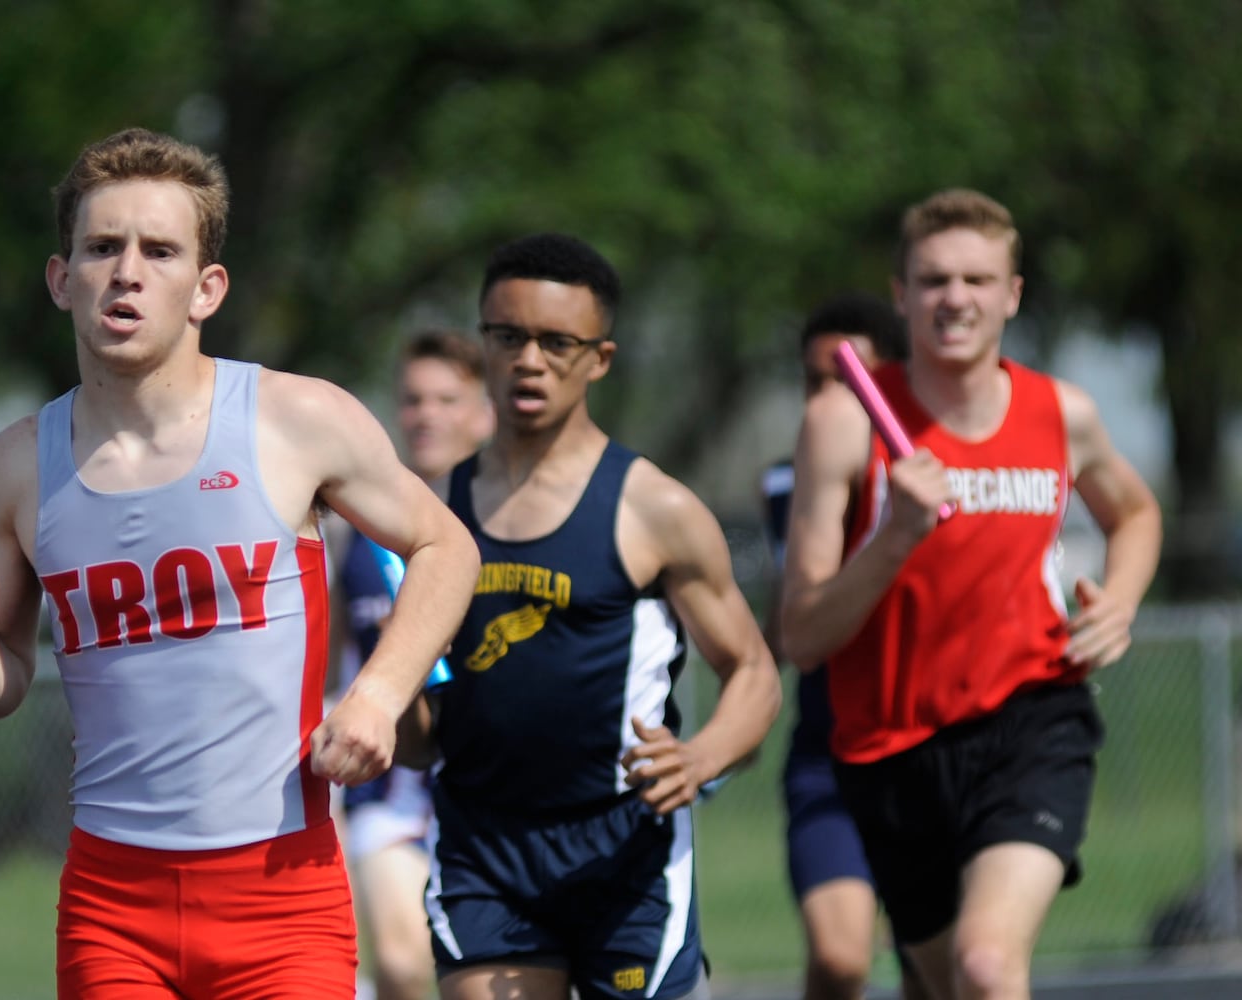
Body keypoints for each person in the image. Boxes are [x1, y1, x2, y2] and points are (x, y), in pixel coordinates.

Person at [0, 127, 481, 1000]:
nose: (126, 271)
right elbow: (5, 675)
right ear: (62, 279)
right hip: (111, 904)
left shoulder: (297, 419)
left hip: (283, 895)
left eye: (159, 250)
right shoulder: (18, 464)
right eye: (101, 247)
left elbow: (446, 546)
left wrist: (377, 694)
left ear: (205, 287)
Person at [780, 189, 1162, 1000]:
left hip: (1030, 718)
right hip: (889, 748)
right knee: (946, 983)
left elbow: (1134, 513)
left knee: (987, 967)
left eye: (977, 280)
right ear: (899, 293)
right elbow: (804, 635)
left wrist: (1119, 602)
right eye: (933, 280)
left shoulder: (1062, 411)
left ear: (1011, 294)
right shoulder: (842, 422)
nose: (955, 298)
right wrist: (893, 536)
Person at [399, 232, 782, 1000]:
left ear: (598, 358)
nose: (529, 360)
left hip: (624, 846)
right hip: (483, 847)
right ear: (484, 346)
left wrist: (701, 759)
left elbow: (753, 673)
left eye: (556, 342)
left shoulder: (656, 509)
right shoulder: (431, 514)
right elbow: (414, 746)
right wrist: (387, 700)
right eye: (508, 337)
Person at [759, 293, 929, 1000]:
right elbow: (802, 618)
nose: (826, 401)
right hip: (830, 755)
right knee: (838, 960)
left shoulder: (941, 474)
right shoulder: (787, 485)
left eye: (848, 381)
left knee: (937, 971)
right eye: (814, 382)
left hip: (932, 751)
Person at [333, 330, 493, 1000]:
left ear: (484, 411)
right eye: (412, 399)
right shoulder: (355, 527)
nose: (426, 414)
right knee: (400, 965)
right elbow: (330, 657)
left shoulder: (506, 522)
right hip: (391, 788)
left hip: (490, 788)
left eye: (446, 399)